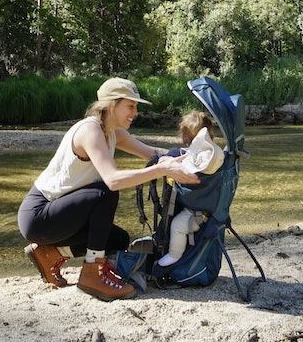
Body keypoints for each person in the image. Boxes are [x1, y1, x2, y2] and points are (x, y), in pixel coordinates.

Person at [17, 77, 200, 301]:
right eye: (130, 106)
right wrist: (162, 171)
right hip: (39, 216)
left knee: (118, 240)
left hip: (59, 217)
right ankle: (92, 275)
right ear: (112, 104)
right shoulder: (90, 130)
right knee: (106, 192)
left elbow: (153, 153)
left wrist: (188, 157)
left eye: (136, 107)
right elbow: (113, 180)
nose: (135, 112)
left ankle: (49, 254)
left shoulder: (113, 133)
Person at [156, 110, 225, 268]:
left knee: (177, 227)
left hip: (196, 214)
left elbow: (180, 165)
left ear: (184, 138)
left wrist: (168, 159)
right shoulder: (215, 159)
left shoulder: (190, 160)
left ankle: (174, 255)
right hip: (215, 211)